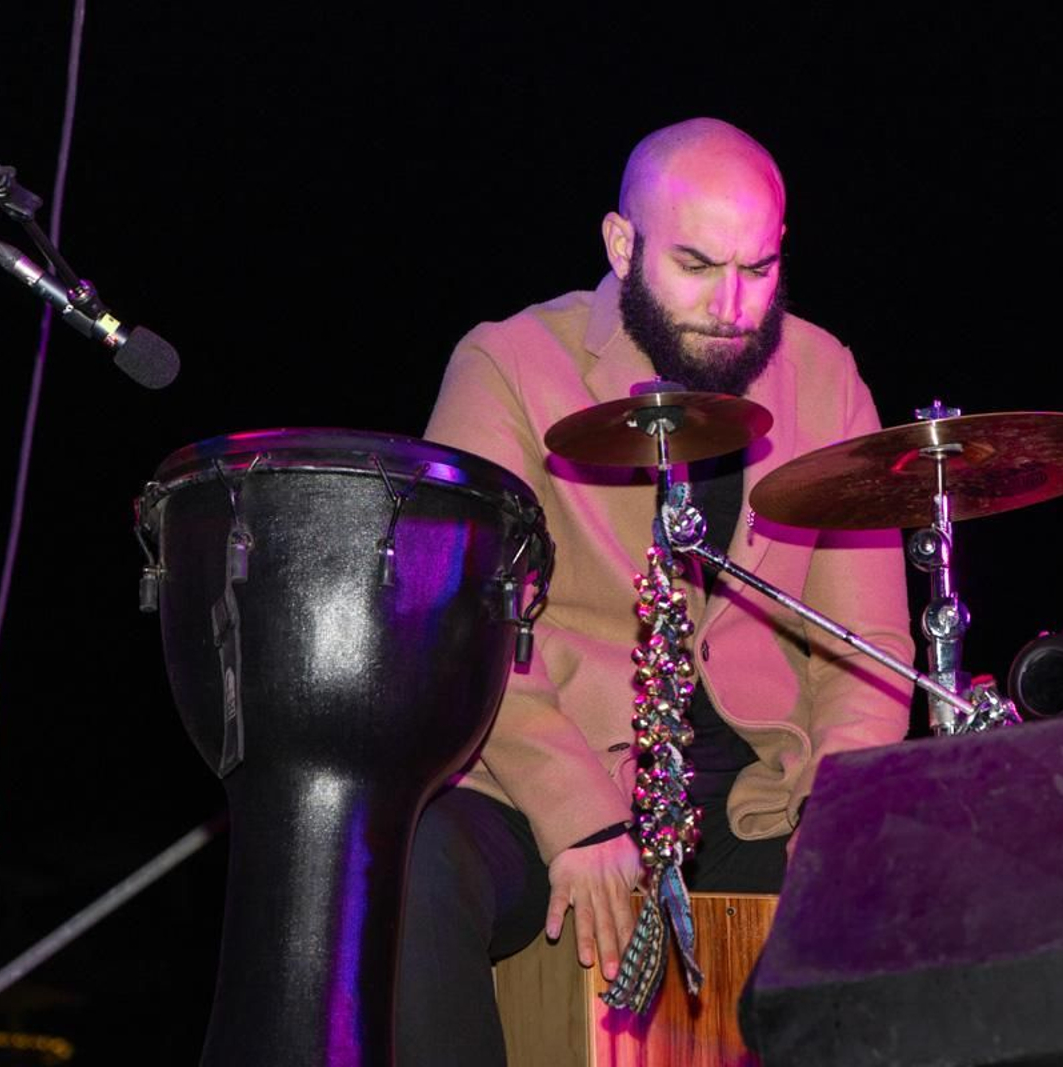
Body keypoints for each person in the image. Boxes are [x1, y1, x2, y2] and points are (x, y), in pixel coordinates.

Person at [399, 117, 912, 1064]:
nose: (732, 305)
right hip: (550, 779)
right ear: (621, 244)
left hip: (759, 796)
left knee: (916, 889)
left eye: (758, 270)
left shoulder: (826, 374)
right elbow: (457, 618)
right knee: (415, 865)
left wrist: (840, 821)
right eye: (697, 265)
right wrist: (574, 809)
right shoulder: (511, 363)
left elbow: (868, 647)